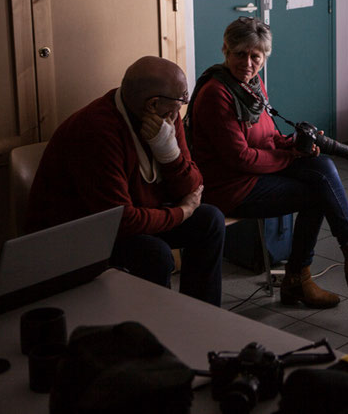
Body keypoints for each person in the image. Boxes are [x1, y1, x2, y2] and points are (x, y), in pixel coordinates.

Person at [187, 16, 348, 309]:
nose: (248, 63)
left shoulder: (250, 84)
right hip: (230, 187)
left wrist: (294, 143)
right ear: (225, 50)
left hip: (253, 174)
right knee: (317, 194)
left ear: (264, 57)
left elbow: (269, 137)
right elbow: (240, 157)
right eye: (240, 54)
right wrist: (290, 155)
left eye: (256, 56)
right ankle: (310, 274)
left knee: (321, 167)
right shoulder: (217, 93)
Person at [27, 57, 225, 306]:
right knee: (156, 255)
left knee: (210, 220)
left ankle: (201, 317)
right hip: (80, 232)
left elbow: (193, 187)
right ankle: (151, 333)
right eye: (182, 101)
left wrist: (169, 153)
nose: (181, 109)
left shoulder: (166, 118)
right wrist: (182, 212)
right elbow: (123, 221)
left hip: (134, 216)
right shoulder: (96, 131)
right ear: (153, 104)